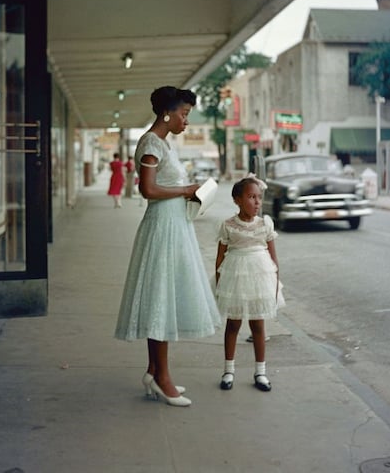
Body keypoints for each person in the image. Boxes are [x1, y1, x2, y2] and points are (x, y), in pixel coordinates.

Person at [115, 86, 221, 407]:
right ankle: (162, 377)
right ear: (167, 113)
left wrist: (189, 192)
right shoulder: (151, 143)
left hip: (175, 224)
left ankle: (153, 370)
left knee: (165, 298)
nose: (186, 121)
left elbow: (164, 184)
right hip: (162, 226)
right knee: (160, 299)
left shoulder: (164, 144)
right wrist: (186, 188)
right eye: (184, 114)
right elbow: (147, 190)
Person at [214, 175, 284, 392]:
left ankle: (260, 371)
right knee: (233, 324)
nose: (256, 202)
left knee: (258, 325)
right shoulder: (228, 226)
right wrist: (219, 286)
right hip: (235, 278)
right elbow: (220, 258)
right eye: (251, 197)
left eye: (259, 198)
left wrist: (274, 285)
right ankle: (228, 370)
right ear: (237, 200)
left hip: (259, 278)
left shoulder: (265, 224)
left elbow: (273, 260)